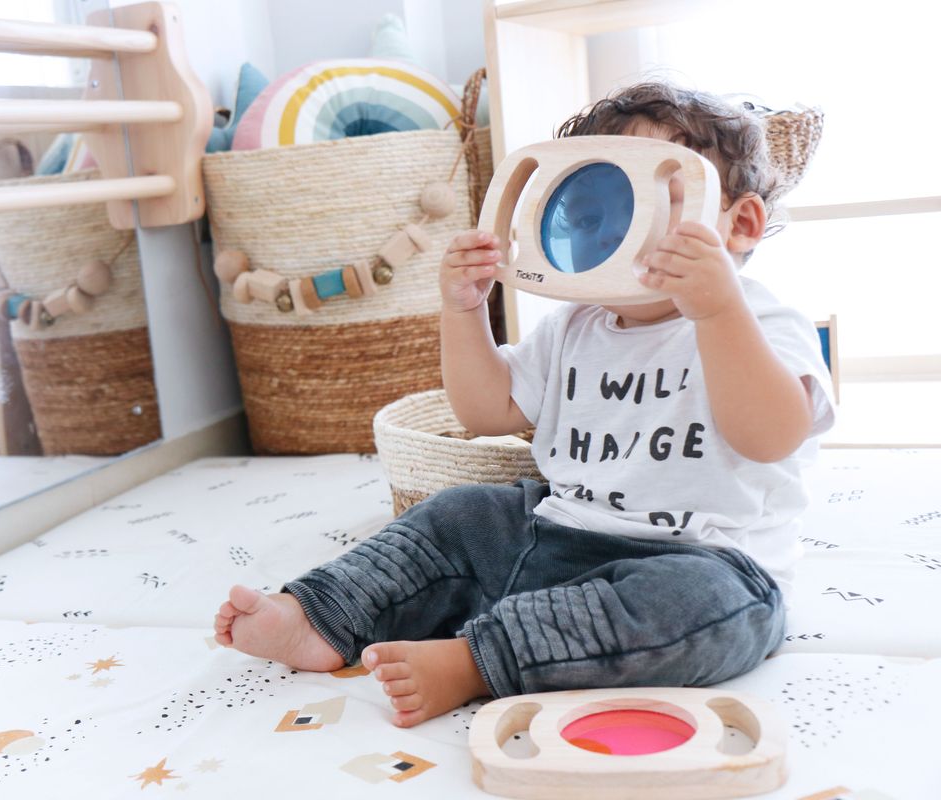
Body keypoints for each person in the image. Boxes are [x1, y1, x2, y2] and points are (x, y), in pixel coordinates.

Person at [214, 82, 835, 728]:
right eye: (596, 214)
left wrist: (718, 310)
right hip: (555, 534)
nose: (623, 231)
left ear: (740, 224)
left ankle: (476, 662)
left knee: (703, 608)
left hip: (705, 562)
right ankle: (318, 616)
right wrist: (464, 311)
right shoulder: (576, 326)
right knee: (459, 515)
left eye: (662, 203)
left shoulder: (763, 319)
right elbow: (486, 412)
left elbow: (770, 436)